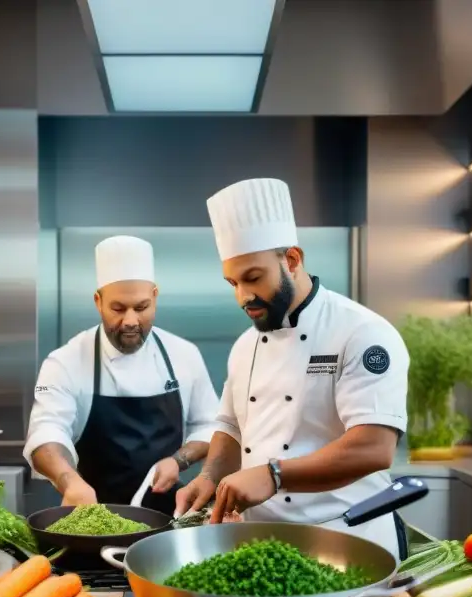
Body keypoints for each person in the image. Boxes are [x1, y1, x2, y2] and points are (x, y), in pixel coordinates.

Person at [174, 178, 411, 556]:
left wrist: (273, 474)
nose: (243, 297)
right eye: (232, 282)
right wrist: (209, 476)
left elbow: (374, 448)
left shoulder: (362, 332)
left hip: (349, 539)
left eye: (253, 278)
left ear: (292, 260)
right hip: (264, 545)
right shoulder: (245, 344)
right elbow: (232, 427)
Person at [24, 235, 220, 515]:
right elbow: (46, 432)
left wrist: (179, 460)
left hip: (167, 523)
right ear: (98, 301)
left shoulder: (183, 355)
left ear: (155, 297)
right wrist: (69, 481)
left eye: (141, 308)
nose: (130, 321)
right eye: (118, 308)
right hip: (90, 517)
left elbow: (211, 428)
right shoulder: (66, 361)